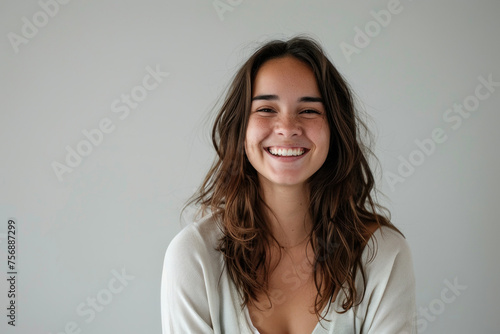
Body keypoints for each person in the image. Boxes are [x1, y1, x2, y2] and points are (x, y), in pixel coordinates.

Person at [161, 36, 417, 334]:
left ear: (335, 129)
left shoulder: (383, 254)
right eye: (266, 109)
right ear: (240, 128)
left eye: (309, 110)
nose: (287, 128)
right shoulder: (195, 257)